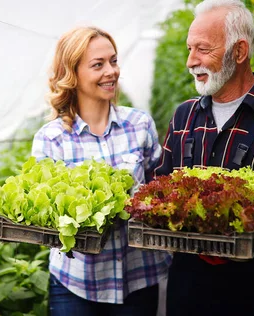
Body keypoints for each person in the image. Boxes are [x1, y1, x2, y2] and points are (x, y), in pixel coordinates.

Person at [153, 0, 254, 315]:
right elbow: (161, 188)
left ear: (239, 52)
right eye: (188, 48)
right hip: (186, 287)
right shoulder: (184, 116)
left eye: (203, 50)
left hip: (250, 292)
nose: (190, 61)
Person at [31, 26, 172, 316]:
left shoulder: (139, 125)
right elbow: (47, 219)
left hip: (139, 276)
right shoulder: (52, 139)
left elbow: (159, 188)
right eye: (98, 65)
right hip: (76, 282)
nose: (111, 71)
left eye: (114, 60)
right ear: (73, 74)